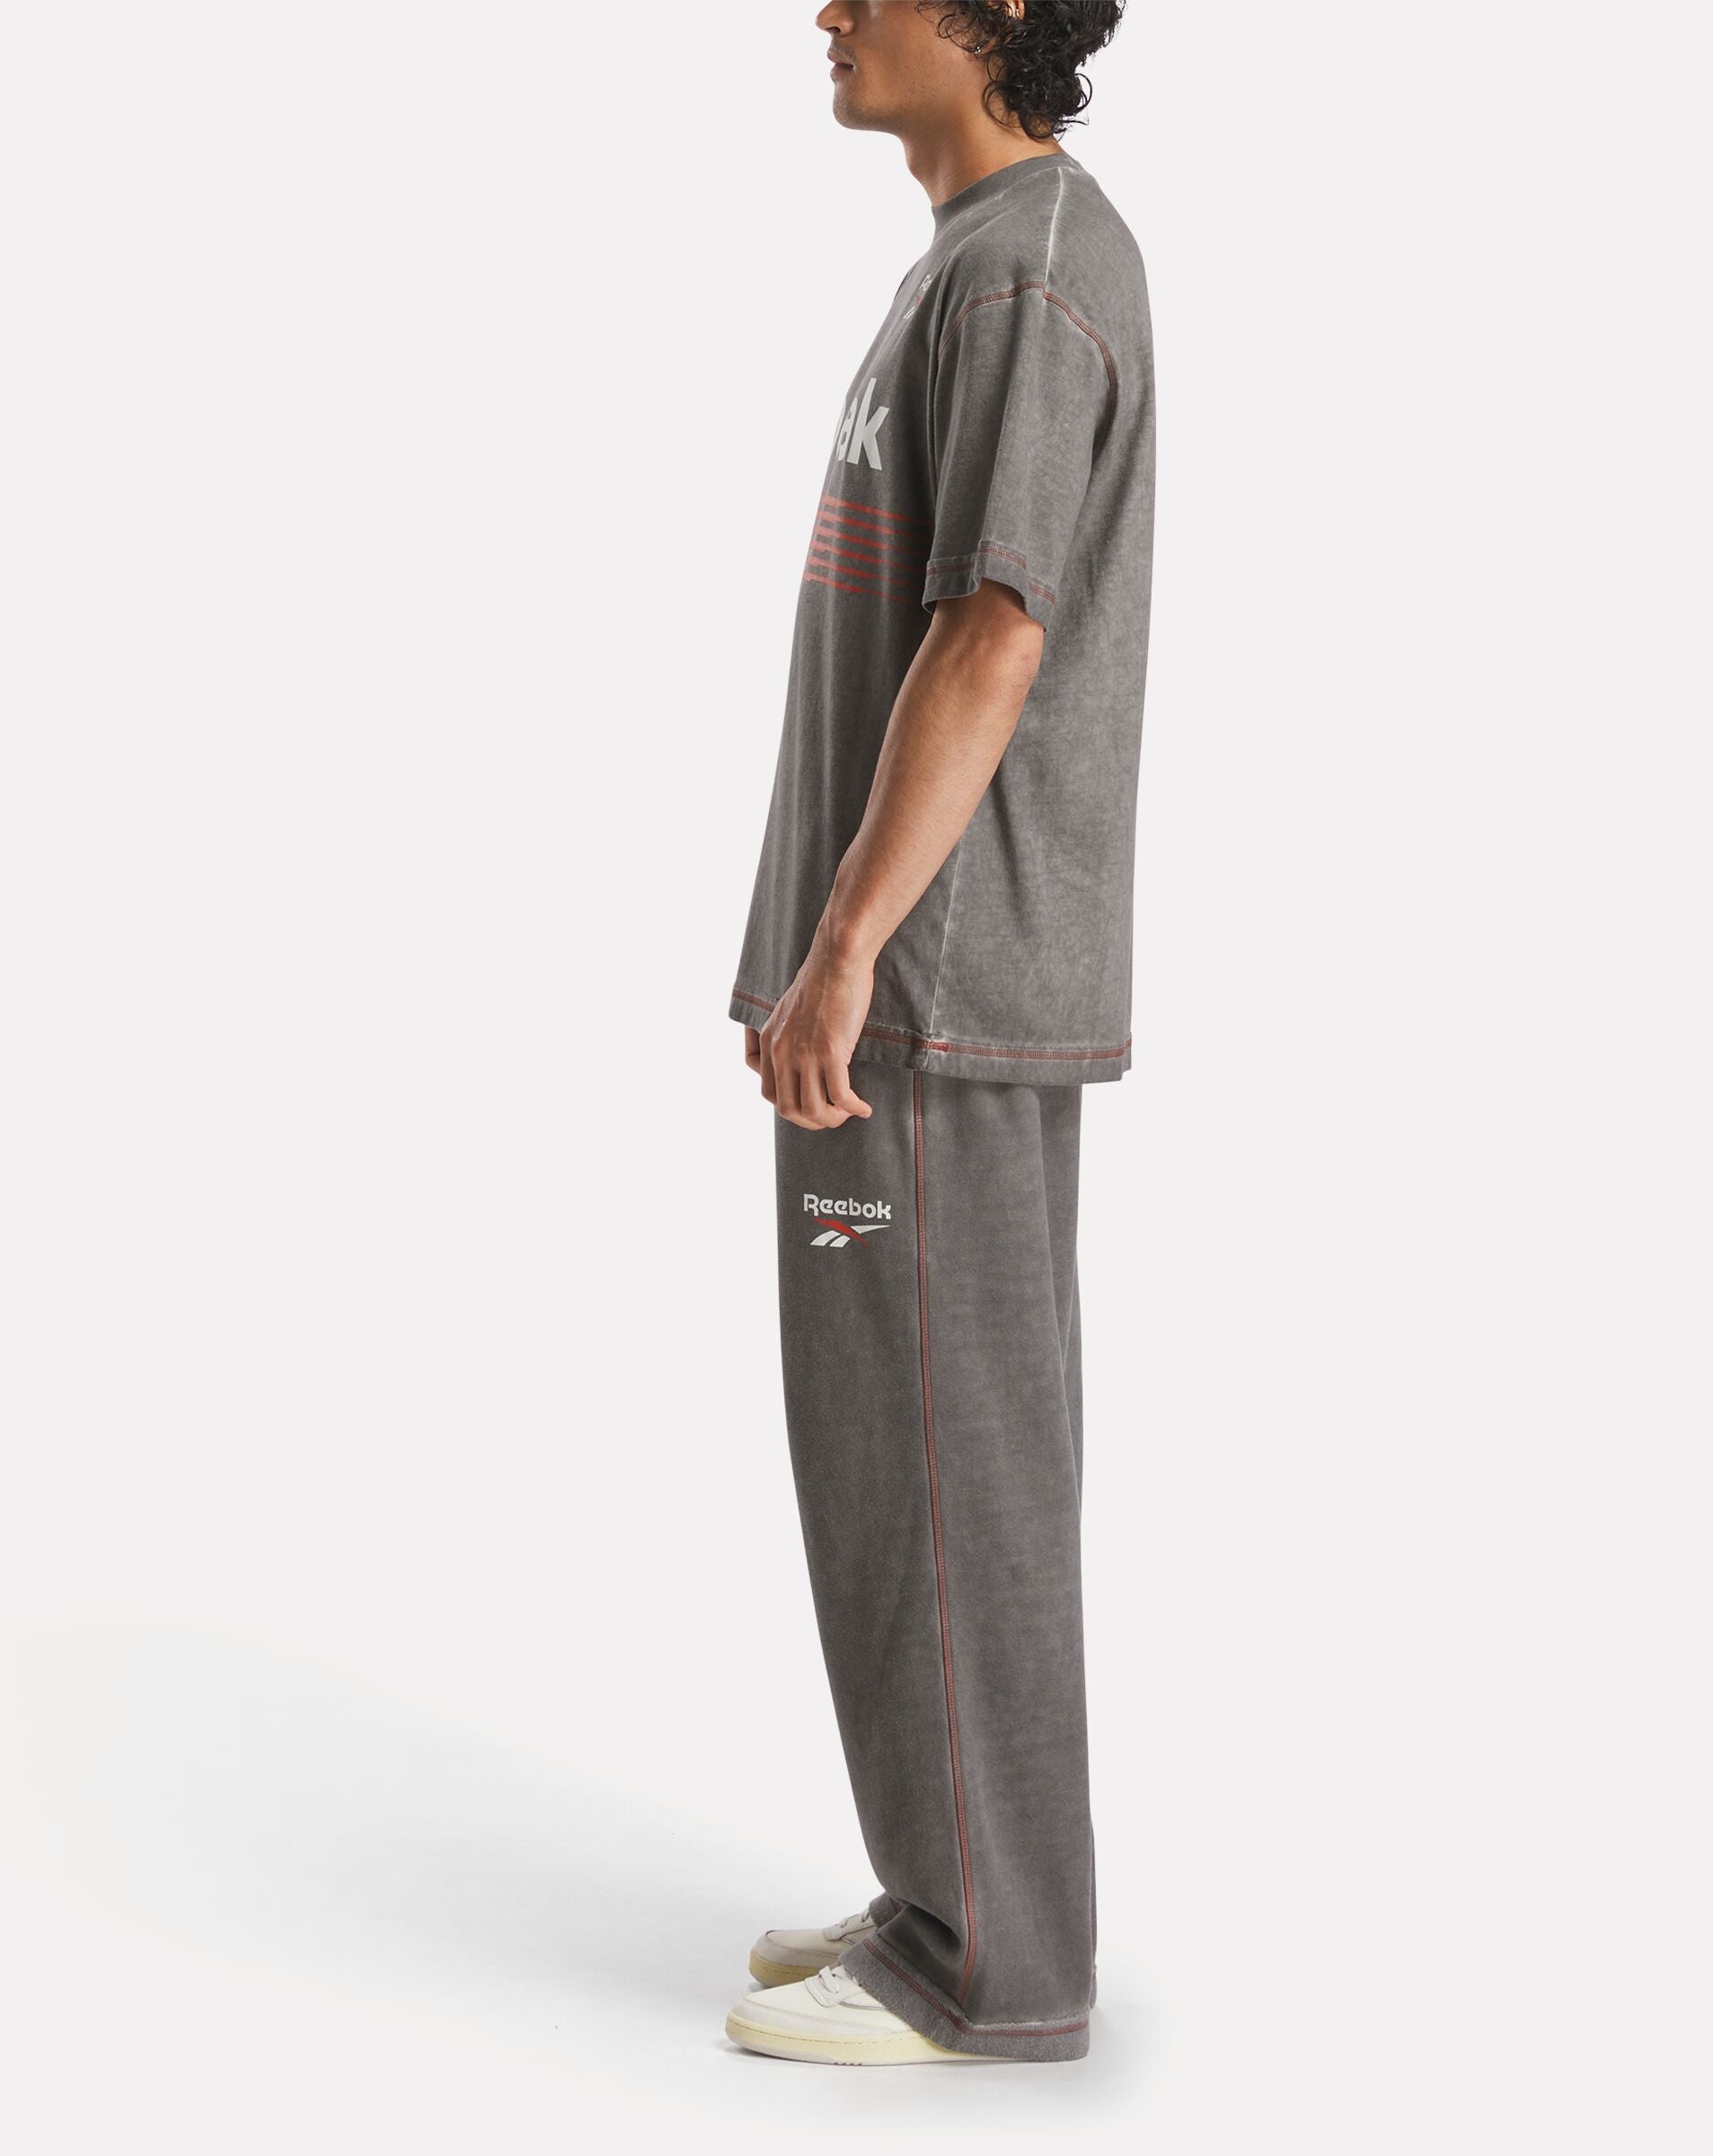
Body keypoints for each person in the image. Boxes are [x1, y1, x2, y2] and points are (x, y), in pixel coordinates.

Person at [724, 0, 1148, 2065]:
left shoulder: (1034, 276)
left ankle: (991, 1963)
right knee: (893, 1460)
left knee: (948, 1467)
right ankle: (940, 1888)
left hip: (936, 996)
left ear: (989, 15)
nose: (826, 7)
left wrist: (849, 953)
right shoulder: (977, 261)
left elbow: (994, 635)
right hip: (903, 987)